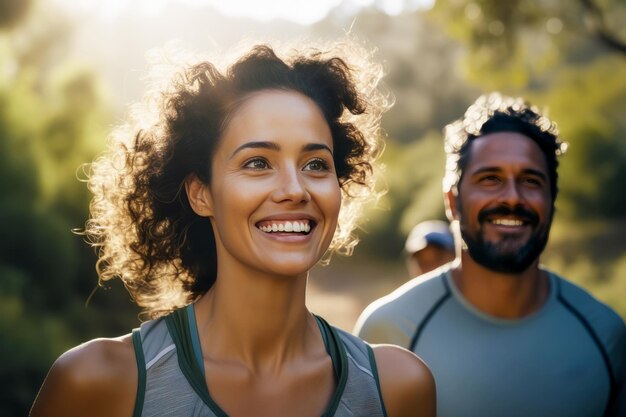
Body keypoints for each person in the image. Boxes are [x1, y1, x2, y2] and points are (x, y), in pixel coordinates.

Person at [29, 41, 435, 417]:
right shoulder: (99, 383)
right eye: (257, 162)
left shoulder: (397, 389)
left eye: (315, 165)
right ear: (201, 193)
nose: (295, 189)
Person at [354, 93, 626, 417]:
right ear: (453, 201)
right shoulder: (389, 332)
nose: (512, 197)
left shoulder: (605, 335)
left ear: (551, 200)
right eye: (490, 179)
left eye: (530, 180)